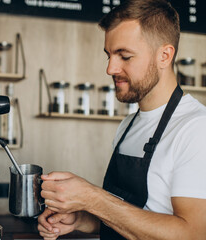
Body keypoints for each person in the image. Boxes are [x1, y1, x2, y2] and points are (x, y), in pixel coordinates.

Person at [37, 0, 206, 239]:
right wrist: (83, 219)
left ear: (165, 56)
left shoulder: (196, 129)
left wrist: (93, 199)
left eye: (124, 56)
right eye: (109, 55)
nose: (110, 68)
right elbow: (129, 218)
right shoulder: (128, 125)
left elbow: (193, 234)